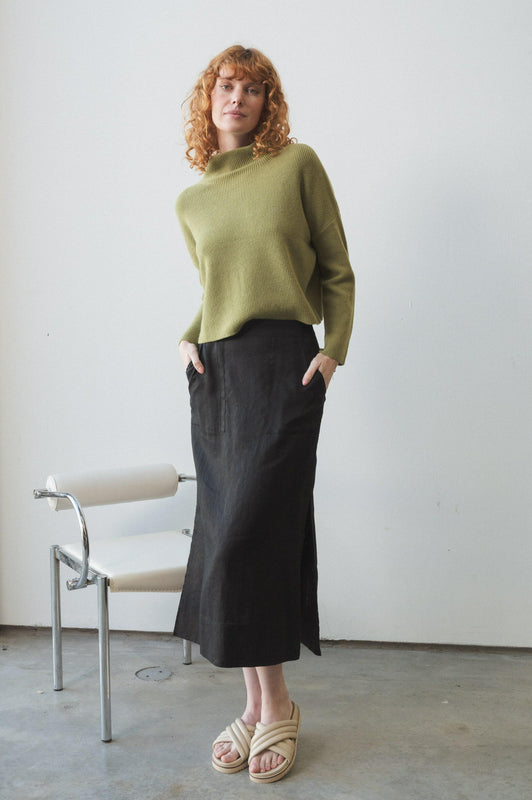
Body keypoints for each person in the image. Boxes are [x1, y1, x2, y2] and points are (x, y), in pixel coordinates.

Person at [173, 44, 355, 784]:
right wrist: (189, 334)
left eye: (254, 88)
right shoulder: (192, 202)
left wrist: (332, 350)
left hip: (285, 364)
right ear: (208, 97)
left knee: (256, 531)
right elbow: (221, 286)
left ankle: (276, 704)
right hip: (218, 373)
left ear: (267, 102)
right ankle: (254, 708)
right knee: (226, 538)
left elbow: (335, 269)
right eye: (227, 85)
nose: (238, 98)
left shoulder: (296, 165)